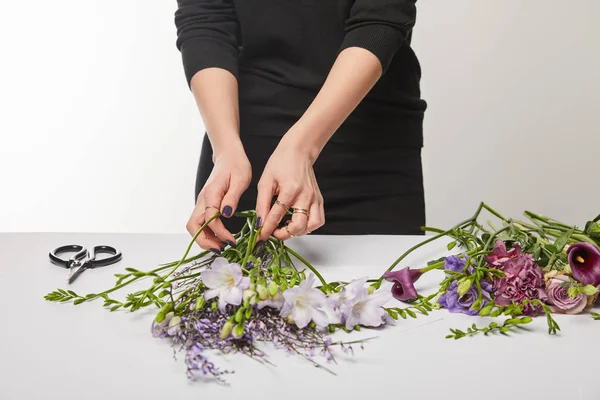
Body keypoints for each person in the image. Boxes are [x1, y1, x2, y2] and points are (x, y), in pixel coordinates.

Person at [174, 0, 427, 254]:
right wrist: (225, 148)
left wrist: (301, 148)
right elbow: (205, 19)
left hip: (371, 160)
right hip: (246, 167)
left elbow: (381, 19)